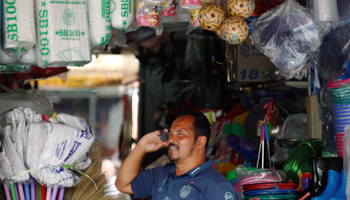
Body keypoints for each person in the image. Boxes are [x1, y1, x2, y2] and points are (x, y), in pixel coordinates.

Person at [115, 110, 238, 199]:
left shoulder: (216, 186)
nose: (171, 139)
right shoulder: (161, 175)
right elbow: (122, 184)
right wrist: (141, 147)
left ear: (200, 141)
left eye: (180, 134)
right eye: (170, 134)